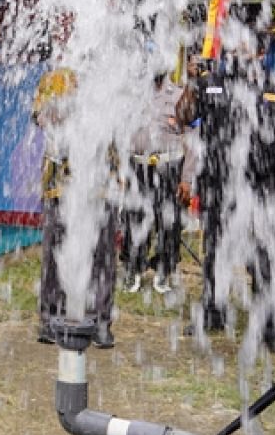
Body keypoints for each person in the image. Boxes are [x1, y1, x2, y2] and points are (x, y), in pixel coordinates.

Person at [180, 39, 275, 355]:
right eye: (233, 49)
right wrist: (192, 81)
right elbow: (184, 117)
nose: (237, 55)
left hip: (262, 187)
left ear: (261, 53)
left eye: (244, 49)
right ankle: (213, 311)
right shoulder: (213, 83)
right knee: (215, 251)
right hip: (219, 186)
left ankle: (272, 326)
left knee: (264, 256)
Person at [32, 66, 117, 349]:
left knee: (102, 253)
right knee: (55, 250)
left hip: (100, 181)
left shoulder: (113, 72)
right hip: (61, 181)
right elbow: (40, 117)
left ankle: (100, 319)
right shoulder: (55, 78)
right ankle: (50, 316)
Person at [123, 67, 186, 294]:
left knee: (168, 220)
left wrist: (186, 177)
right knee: (135, 217)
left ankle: (164, 270)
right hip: (138, 165)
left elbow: (190, 134)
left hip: (168, 166)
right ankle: (134, 269)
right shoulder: (133, 93)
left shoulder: (179, 95)